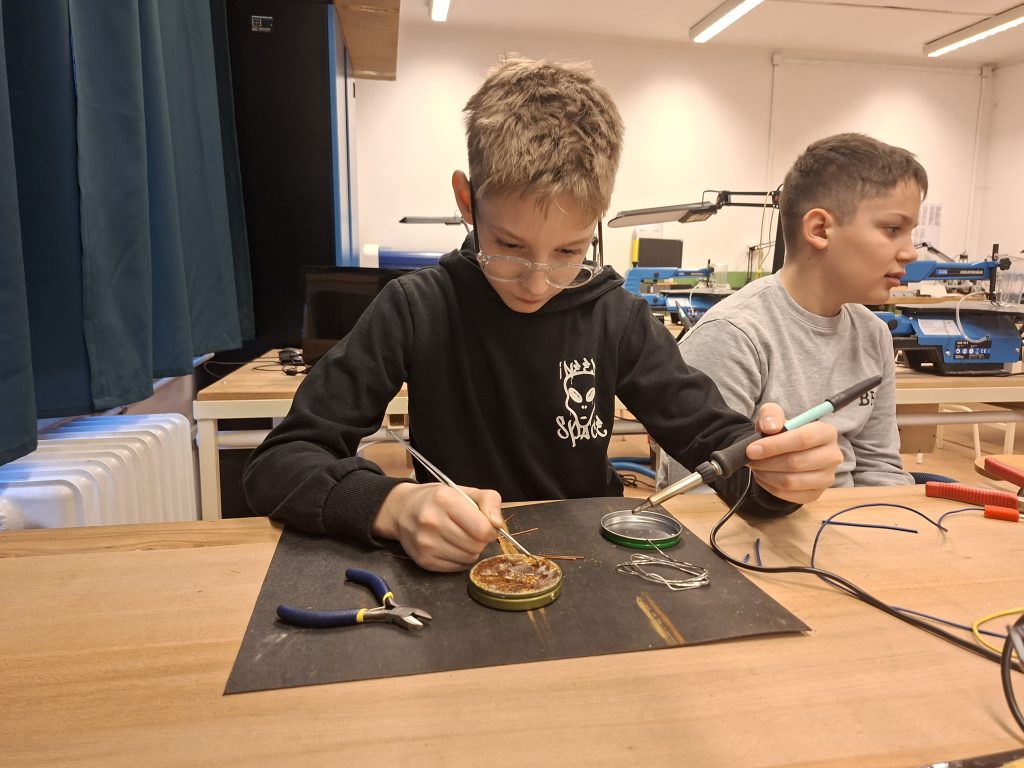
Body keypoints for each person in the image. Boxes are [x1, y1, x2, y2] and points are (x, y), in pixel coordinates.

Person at [243, 56, 842, 573]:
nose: (536, 283)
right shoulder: (416, 308)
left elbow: (722, 448)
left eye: (568, 252)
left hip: (590, 568)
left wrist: (777, 475)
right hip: (459, 574)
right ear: (466, 200)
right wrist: (390, 505)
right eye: (508, 246)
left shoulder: (617, 319)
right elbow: (279, 464)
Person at [658, 132, 925, 491]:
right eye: (893, 229)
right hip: (749, 521)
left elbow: (880, 468)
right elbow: (697, 492)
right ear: (820, 229)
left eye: (910, 233)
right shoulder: (733, 335)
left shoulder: (873, 334)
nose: (911, 252)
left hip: (849, 520)